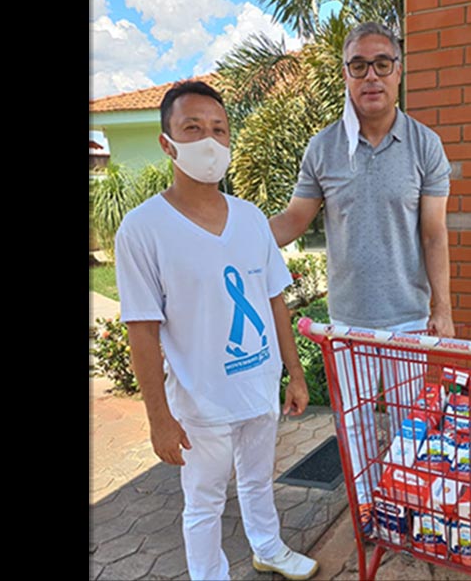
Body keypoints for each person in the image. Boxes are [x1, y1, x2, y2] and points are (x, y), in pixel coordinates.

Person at [115, 80, 319, 581]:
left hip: (257, 387)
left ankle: (268, 547)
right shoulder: (143, 230)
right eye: (193, 128)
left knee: (256, 481)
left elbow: (274, 297)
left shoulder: (251, 220)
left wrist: (293, 373)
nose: (209, 140)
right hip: (200, 402)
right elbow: (142, 330)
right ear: (168, 143)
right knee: (203, 502)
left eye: (218, 129)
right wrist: (158, 419)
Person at [269, 22, 455, 531]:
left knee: (406, 425)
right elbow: (294, 219)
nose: (370, 75)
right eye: (358, 66)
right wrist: (233, 235)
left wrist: (442, 308)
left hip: (407, 319)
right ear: (346, 75)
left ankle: (408, 511)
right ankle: (369, 514)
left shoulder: (424, 145)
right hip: (346, 322)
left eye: (381, 64)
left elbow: (434, 234)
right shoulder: (323, 148)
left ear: (398, 71)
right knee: (352, 429)